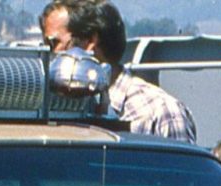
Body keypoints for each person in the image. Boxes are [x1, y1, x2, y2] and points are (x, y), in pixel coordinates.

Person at [40, 0, 197, 143]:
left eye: (54, 43)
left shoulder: (160, 112)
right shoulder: (49, 109)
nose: (48, 53)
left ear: (90, 41)